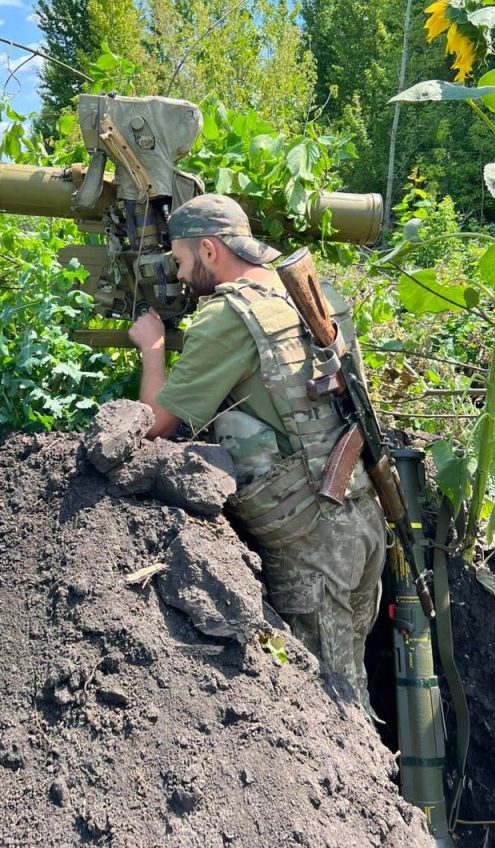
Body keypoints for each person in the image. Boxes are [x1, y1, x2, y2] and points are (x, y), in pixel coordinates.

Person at [128, 193, 386, 711]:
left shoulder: (228, 316)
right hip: (361, 516)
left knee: (332, 705)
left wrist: (152, 348)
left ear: (208, 250)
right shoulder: (315, 292)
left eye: (179, 262)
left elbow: (155, 425)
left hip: (310, 542)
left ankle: (360, 793)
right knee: (351, 666)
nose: (178, 277)